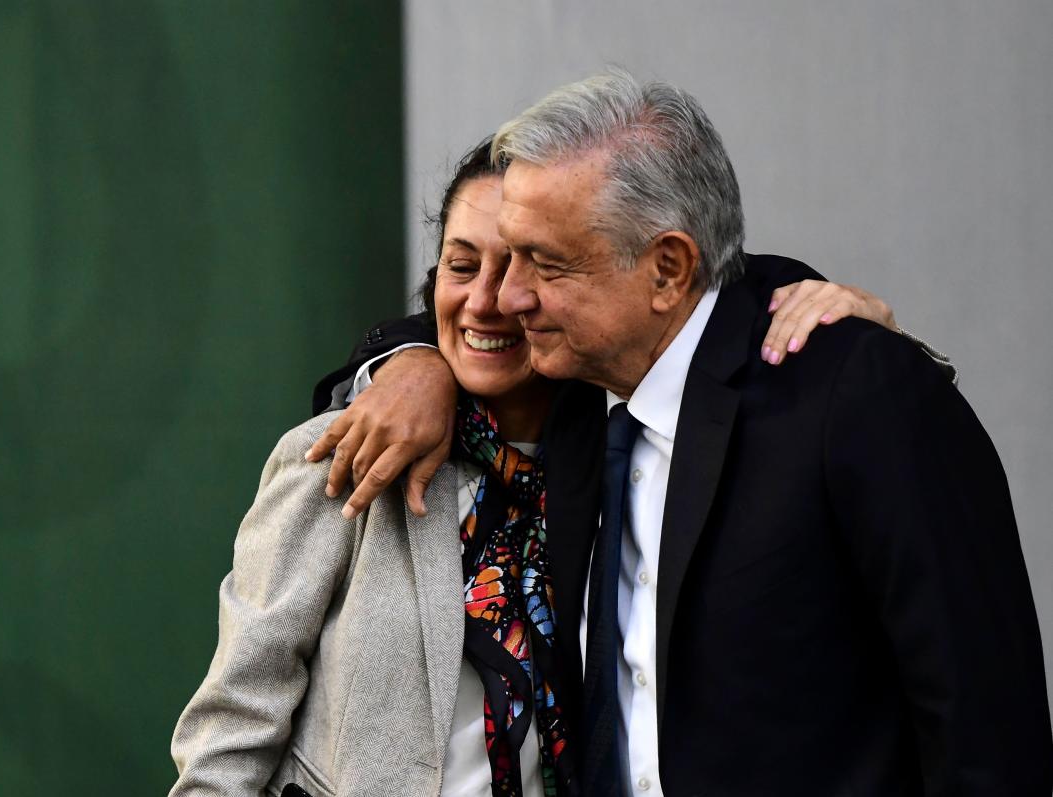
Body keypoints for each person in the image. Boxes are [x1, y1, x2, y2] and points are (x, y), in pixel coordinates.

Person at [306, 73, 1052, 796]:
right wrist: (413, 362)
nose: (509, 296)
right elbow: (465, 325)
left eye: (546, 263)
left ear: (667, 269)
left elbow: (989, 735)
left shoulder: (854, 395)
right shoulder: (572, 385)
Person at [168, 136, 910, 796]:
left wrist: (816, 303)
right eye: (463, 265)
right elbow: (231, 728)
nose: (493, 301)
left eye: (528, 266)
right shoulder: (354, 446)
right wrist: (409, 359)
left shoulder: (628, 461)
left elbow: (694, 293)